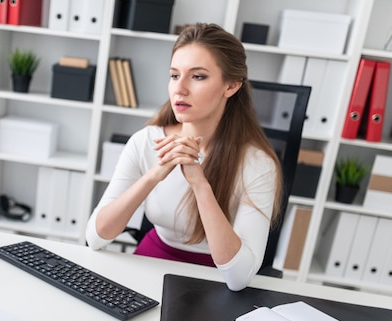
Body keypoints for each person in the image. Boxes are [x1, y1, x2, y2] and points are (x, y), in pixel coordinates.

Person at [86, 23, 283, 291]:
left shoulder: (257, 164)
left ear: (231, 85)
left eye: (198, 76)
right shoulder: (146, 141)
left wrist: (200, 184)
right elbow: (96, 238)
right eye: (175, 75)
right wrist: (154, 174)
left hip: (215, 281)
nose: (180, 89)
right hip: (151, 264)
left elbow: (238, 278)